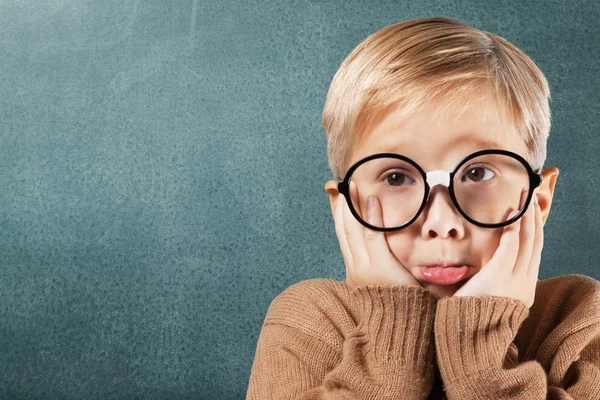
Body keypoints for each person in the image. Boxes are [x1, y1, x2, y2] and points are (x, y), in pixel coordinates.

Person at [245, 17, 600, 399]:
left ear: (538, 199)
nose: (442, 222)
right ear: (345, 209)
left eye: (477, 172)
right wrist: (393, 334)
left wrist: (479, 351)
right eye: (396, 178)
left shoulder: (581, 319)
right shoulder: (309, 320)